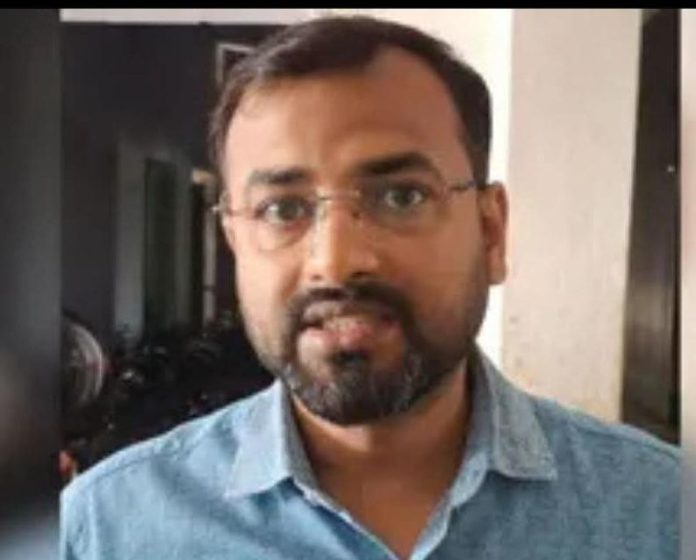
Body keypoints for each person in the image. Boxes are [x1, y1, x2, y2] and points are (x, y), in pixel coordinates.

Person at [61, 16, 679, 560]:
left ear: (490, 232)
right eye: (282, 209)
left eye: (401, 196)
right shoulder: (104, 530)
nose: (335, 262)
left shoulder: (662, 512)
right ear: (235, 242)